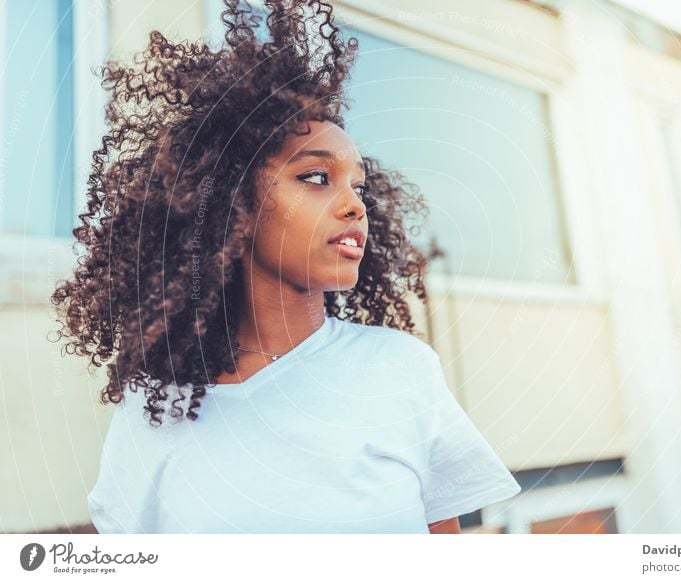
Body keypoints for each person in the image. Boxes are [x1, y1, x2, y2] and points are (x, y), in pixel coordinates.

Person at [50, 0, 521, 534]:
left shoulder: (400, 369)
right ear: (232, 201)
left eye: (358, 186)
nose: (354, 206)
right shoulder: (154, 407)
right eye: (317, 177)